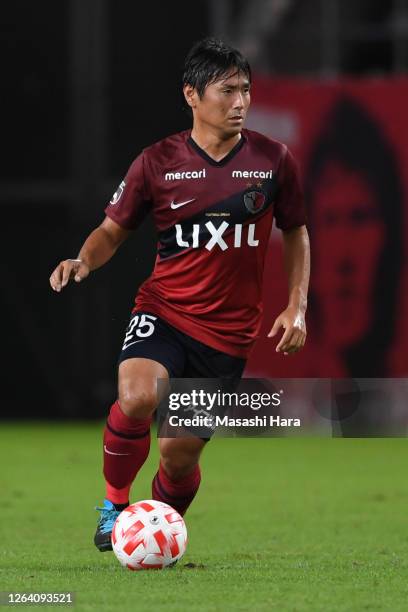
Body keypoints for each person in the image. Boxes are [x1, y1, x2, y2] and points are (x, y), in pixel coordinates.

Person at [49, 37, 310, 552]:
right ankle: (114, 508)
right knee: (137, 395)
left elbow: (297, 231)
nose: (241, 102)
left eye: (246, 91)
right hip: (164, 311)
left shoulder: (273, 160)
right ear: (191, 94)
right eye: (227, 91)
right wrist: (84, 258)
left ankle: (158, 528)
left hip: (228, 335)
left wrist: (297, 303)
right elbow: (111, 230)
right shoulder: (157, 162)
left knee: (178, 455)